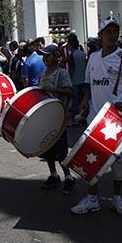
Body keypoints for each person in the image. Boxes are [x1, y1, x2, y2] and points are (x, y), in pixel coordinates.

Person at [72, 19, 122, 216]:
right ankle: (92, 198)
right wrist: (84, 101)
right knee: (92, 161)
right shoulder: (92, 57)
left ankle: (117, 198)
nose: (112, 35)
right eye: (108, 31)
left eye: (115, 31)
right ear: (100, 35)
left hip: (117, 120)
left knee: (120, 161)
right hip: (95, 118)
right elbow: (88, 85)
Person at [36, 44, 76, 194]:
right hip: (46, 117)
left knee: (61, 151)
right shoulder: (44, 73)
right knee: (47, 149)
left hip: (58, 117)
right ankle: (53, 175)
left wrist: (53, 91)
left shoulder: (62, 73)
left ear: (56, 57)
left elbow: (70, 92)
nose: (44, 58)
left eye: (48, 55)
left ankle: (69, 177)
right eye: (44, 56)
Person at [66, 34, 88, 124]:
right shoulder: (83, 54)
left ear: (71, 45)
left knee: (75, 100)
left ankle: (74, 118)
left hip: (75, 80)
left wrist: (69, 79)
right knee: (83, 100)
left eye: (69, 45)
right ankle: (83, 116)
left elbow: (72, 69)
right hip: (83, 80)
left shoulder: (72, 55)